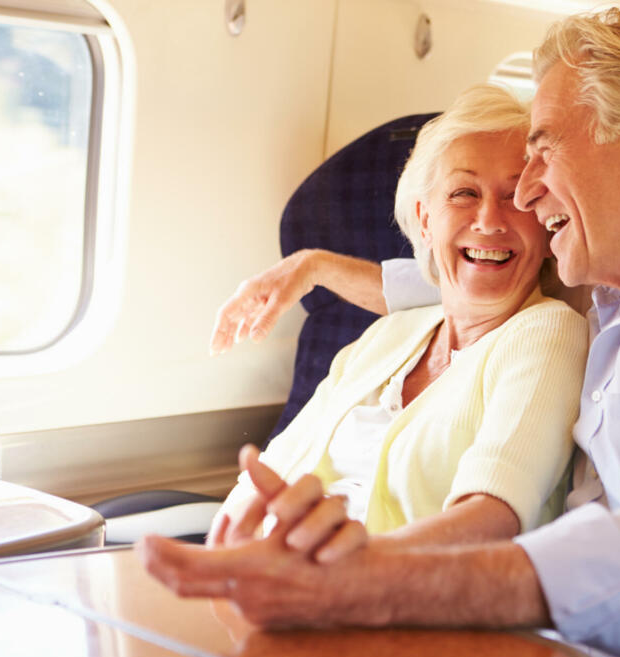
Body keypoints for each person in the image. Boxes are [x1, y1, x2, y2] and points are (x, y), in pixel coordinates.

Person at [140, 7, 620, 657]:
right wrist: (319, 268)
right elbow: (458, 284)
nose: (524, 197)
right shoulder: (612, 301)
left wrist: (370, 580)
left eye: (543, 150)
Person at [208, 83, 588, 555]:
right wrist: (224, 558)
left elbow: (490, 520)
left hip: (398, 604)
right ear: (425, 219)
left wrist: (340, 577)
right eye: (464, 193)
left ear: (543, 217)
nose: (489, 220)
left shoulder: (547, 333)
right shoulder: (386, 335)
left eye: (514, 198)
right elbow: (263, 479)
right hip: (278, 581)